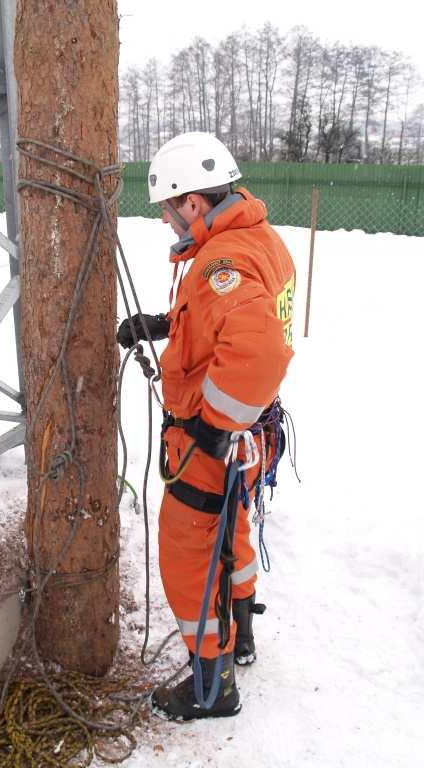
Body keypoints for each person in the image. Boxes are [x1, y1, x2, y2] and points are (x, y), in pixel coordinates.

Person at [117, 132, 296, 720]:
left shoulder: (221, 260)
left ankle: (212, 687)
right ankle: (241, 630)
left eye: (169, 210)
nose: (168, 222)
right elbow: (239, 314)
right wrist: (168, 325)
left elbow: (259, 348)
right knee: (233, 528)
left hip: (215, 438)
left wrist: (213, 426)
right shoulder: (256, 238)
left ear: (192, 202)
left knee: (188, 556)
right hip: (252, 435)